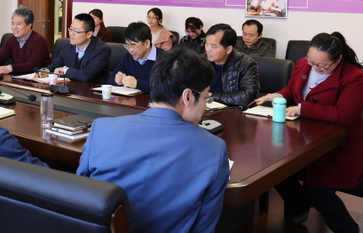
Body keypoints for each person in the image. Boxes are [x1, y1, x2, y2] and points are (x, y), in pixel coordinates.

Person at [78, 48, 229, 232]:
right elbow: (204, 227)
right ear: (188, 96)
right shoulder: (214, 149)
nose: (205, 106)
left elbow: (81, 201)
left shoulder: (101, 129)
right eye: (206, 97)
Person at [255, 32, 363, 232]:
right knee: (274, 171)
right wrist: (277, 95)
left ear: (338, 59)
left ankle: (348, 229)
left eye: (322, 65)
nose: (315, 67)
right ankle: (300, 204)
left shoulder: (354, 76)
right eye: (311, 61)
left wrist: (302, 108)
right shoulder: (304, 64)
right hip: (303, 139)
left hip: (336, 147)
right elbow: (291, 90)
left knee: (318, 192)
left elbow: (344, 114)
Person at [44, 13, 111, 83]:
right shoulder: (68, 45)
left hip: (92, 88)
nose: (71, 34)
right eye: (71, 29)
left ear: (89, 34)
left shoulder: (102, 50)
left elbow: (86, 75)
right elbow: (57, 63)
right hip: (70, 87)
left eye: (76, 31)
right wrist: (45, 71)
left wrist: (65, 70)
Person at [205, 23, 259, 106]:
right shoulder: (201, 61)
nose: (208, 49)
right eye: (206, 44)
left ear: (228, 49)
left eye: (213, 46)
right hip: (204, 108)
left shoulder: (246, 64)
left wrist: (212, 96)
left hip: (231, 110)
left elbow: (248, 96)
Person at [0, 7, 51, 75]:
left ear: (29, 25)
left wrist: (10, 68)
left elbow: (33, 65)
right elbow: (1, 55)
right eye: (13, 23)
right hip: (18, 77)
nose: (14, 28)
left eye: (18, 24)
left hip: (38, 78)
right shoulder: (12, 40)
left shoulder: (39, 40)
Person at [108, 22, 163, 94]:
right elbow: (110, 78)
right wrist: (117, 80)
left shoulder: (164, 58)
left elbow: (165, 88)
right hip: (131, 99)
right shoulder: (129, 56)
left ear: (147, 43)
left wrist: (137, 84)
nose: (130, 50)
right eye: (127, 45)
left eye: (133, 45)